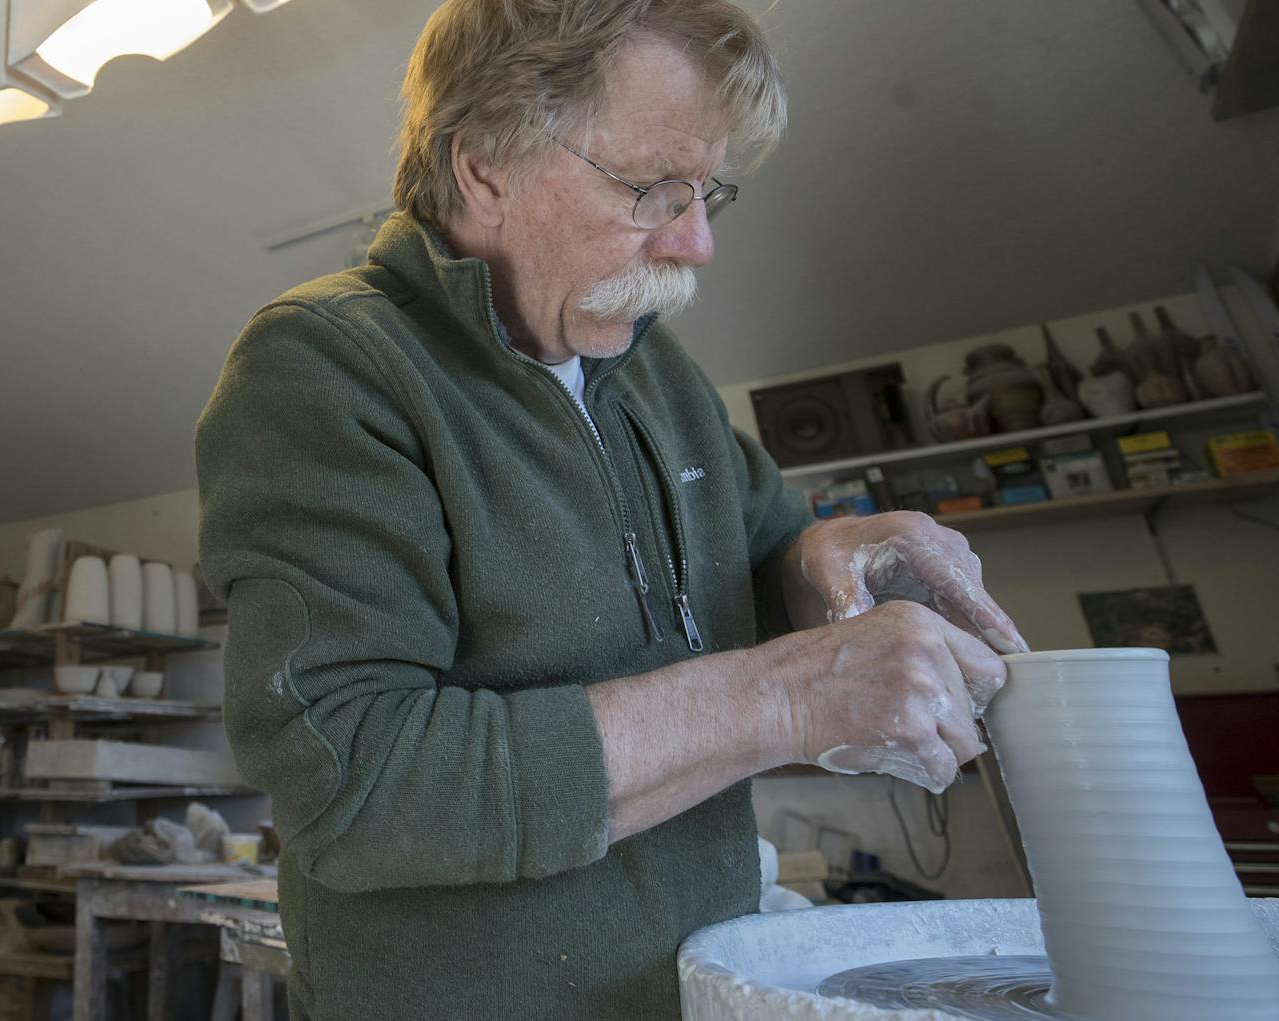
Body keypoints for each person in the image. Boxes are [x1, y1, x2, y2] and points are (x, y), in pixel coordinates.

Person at [195, 2, 1026, 1018]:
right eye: (650, 189)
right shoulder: (329, 366)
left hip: (694, 983)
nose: (697, 241)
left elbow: (756, 559)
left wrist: (827, 560)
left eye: (706, 191)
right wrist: (783, 698)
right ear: (483, 166)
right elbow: (355, 784)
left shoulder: (648, 367)